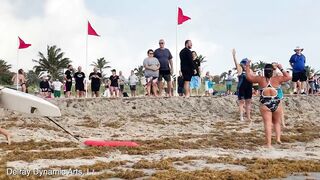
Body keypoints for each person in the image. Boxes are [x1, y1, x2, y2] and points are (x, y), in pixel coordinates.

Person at [245, 61, 291, 148]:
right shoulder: (277, 79)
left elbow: (249, 77)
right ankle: (278, 139)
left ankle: (268, 144)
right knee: (277, 122)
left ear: (264, 71)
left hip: (265, 103)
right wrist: (280, 67)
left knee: (268, 123)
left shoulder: (260, 79)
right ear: (272, 71)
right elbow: (288, 77)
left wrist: (247, 66)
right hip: (276, 102)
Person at [232, 49, 253, 121]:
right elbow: (235, 63)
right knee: (241, 103)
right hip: (241, 88)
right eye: (245, 63)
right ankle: (241, 117)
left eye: (248, 64)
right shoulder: (240, 69)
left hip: (249, 88)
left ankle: (248, 117)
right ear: (243, 64)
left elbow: (253, 78)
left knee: (248, 102)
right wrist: (234, 56)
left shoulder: (250, 70)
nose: (246, 65)